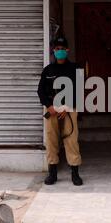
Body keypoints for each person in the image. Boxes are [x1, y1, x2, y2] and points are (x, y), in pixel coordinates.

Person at [37, 36, 83, 186]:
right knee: (51, 141)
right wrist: (49, 106)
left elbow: (80, 89)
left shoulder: (76, 68)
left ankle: (75, 173)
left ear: (67, 50)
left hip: (69, 109)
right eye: (57, 49)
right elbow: (41, 91)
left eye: (62, 49)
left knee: (71, 141)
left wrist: (68, 106)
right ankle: (53, 174)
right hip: (52, 110)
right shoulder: (48, 70)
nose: (60, 51)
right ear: (53, 51)